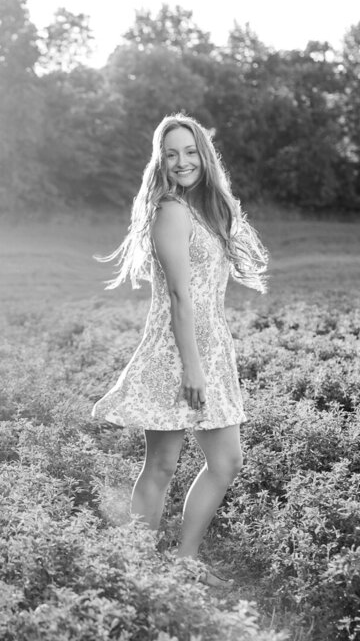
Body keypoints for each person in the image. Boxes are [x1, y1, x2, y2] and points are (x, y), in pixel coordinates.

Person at [93, 113, 268, 587]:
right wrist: (192, 367)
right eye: (170, 154)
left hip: (210, 348)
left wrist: (207, 360)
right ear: (161, 161)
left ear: (204, 156)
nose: (181, 161)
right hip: (178, 352)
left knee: (226, 461)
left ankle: (184, 561)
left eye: (189, 151)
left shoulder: (207, 210)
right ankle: (138, 571)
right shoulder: (170, 210)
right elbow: (178, 296)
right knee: (162, 463)